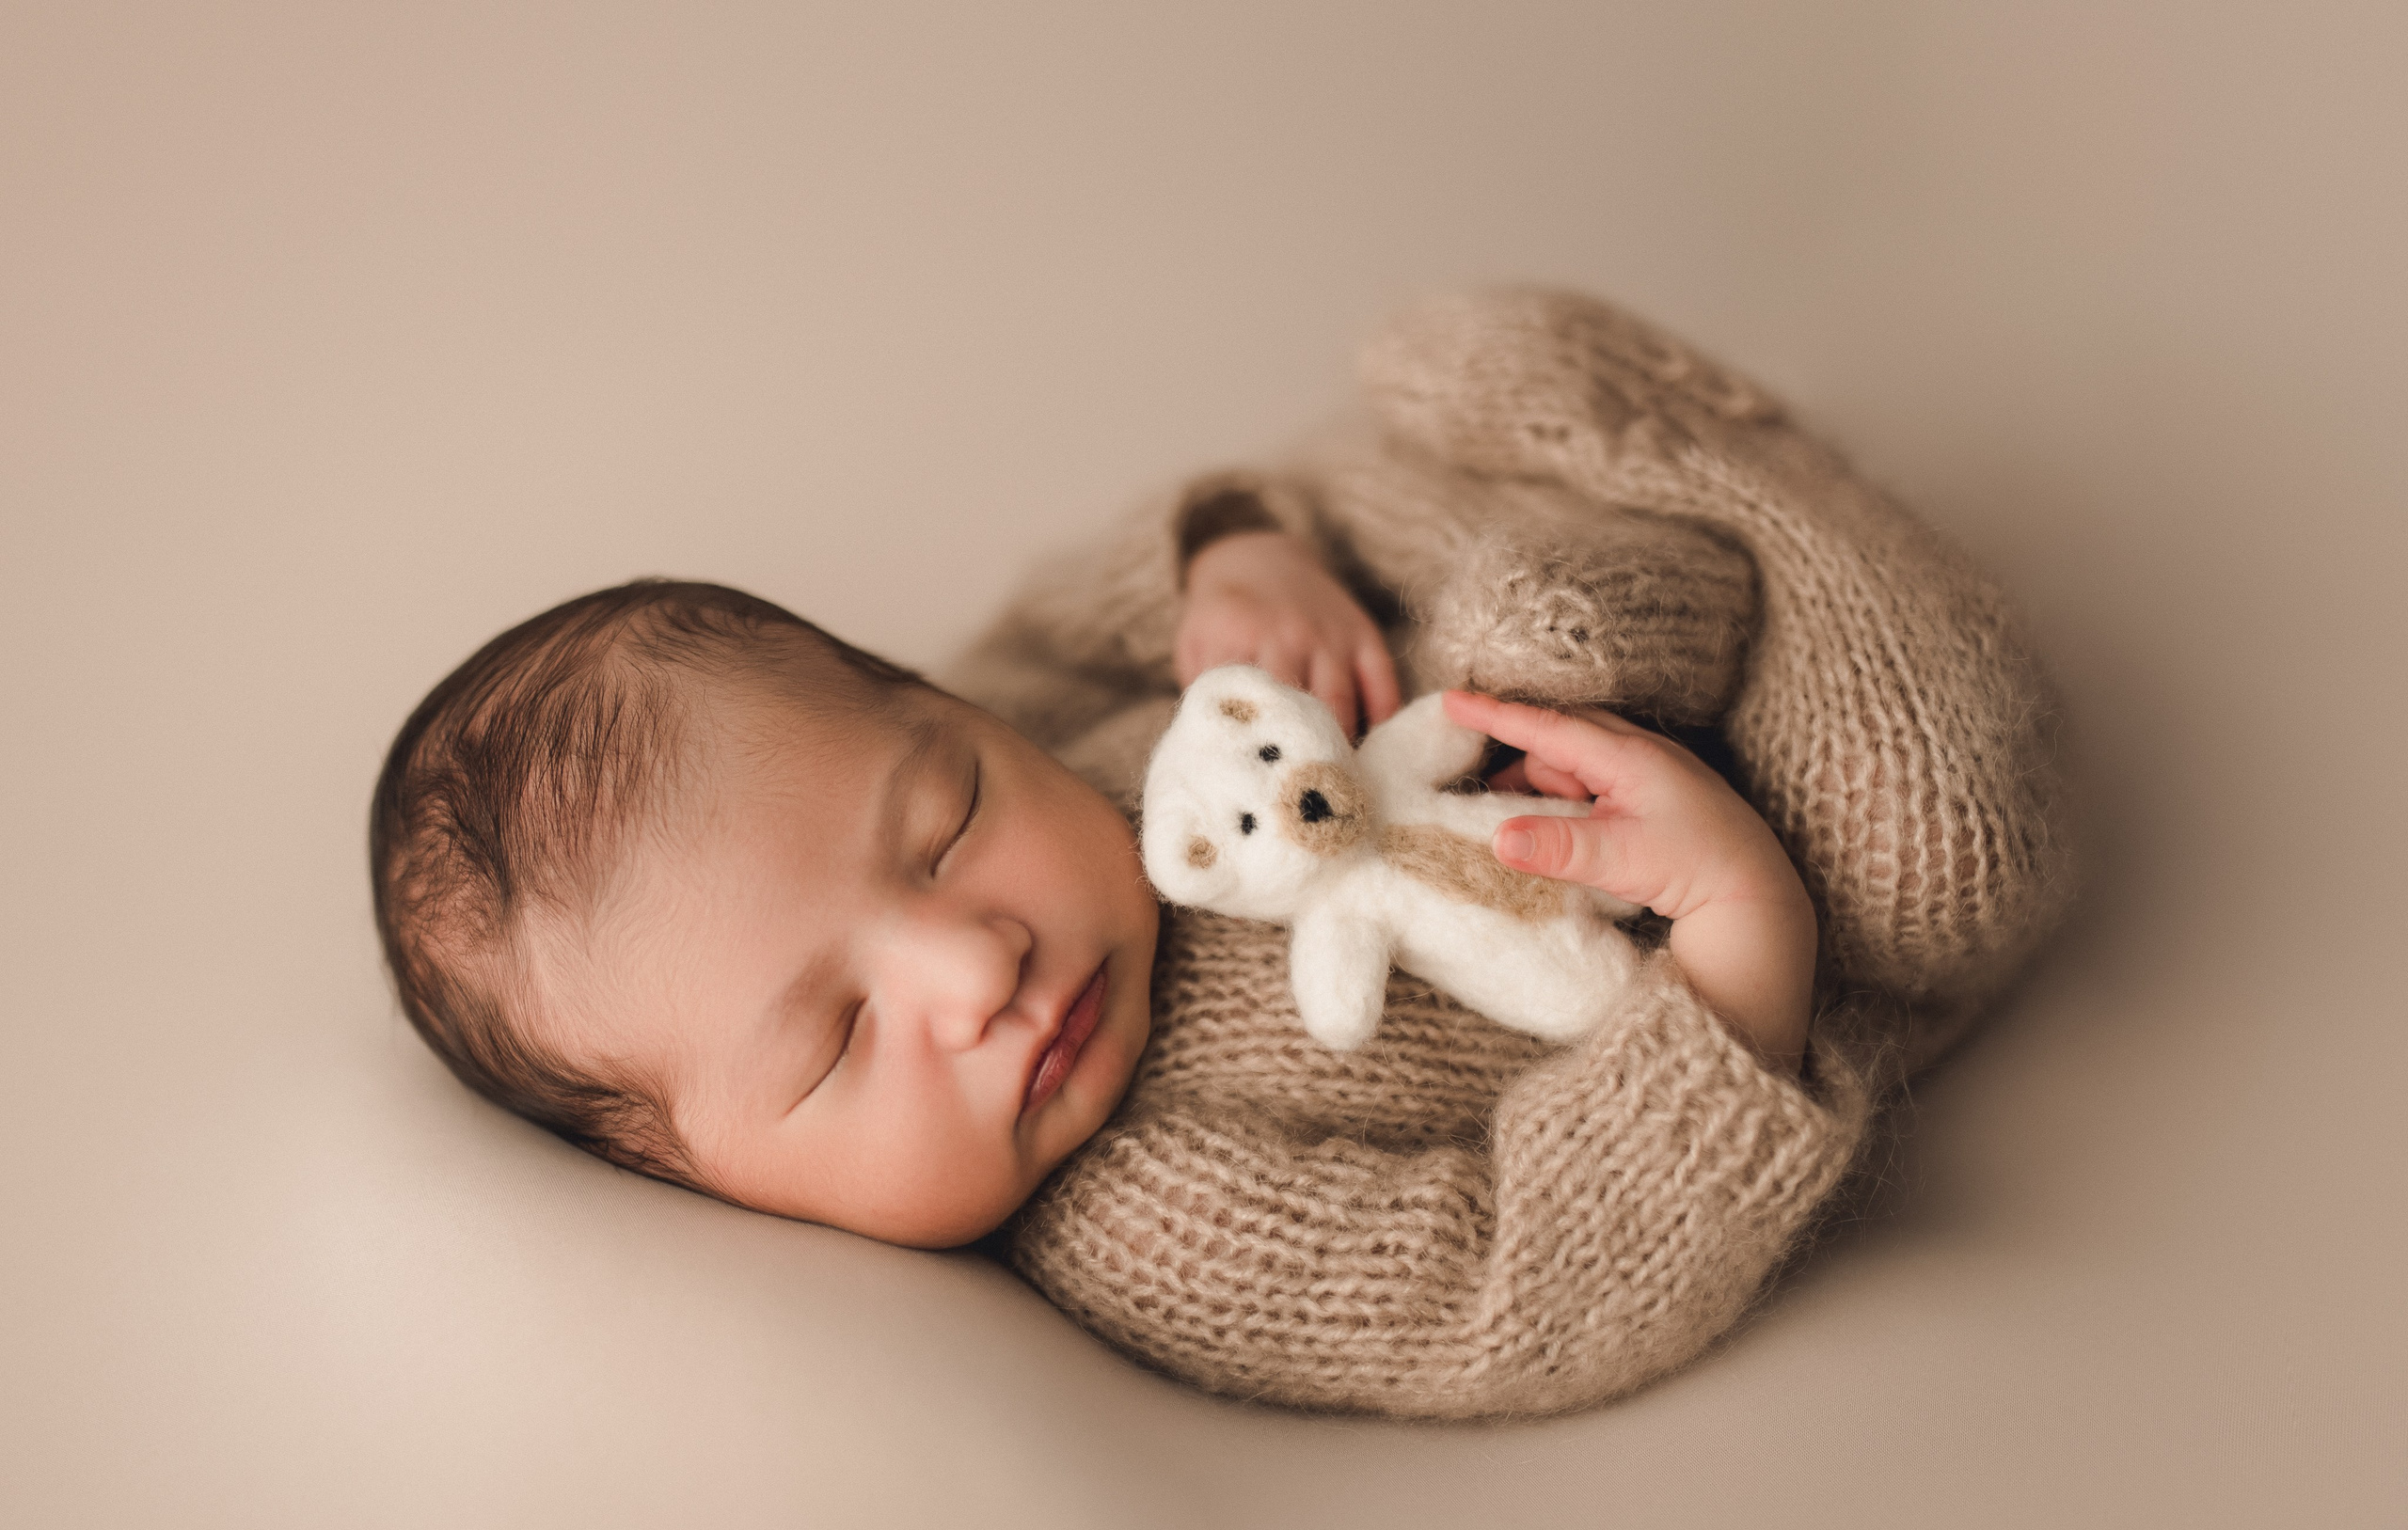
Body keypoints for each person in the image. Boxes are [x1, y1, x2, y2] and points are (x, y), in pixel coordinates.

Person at [372, 288, 2075, 1417]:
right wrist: (1733, 952)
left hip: (1514, 655)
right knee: (1944, 852)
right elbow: (1509, 1287)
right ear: (716, 1190)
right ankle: (1720, 461)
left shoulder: (1019, 717)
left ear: (946, 713)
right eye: (835, 1039)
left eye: (946, 816)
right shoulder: (1147, 1213)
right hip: (1739, 907)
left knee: (1451, 569)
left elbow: (1056, 618)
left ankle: (1568, 468)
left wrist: (1231, 558)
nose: (972, 962)